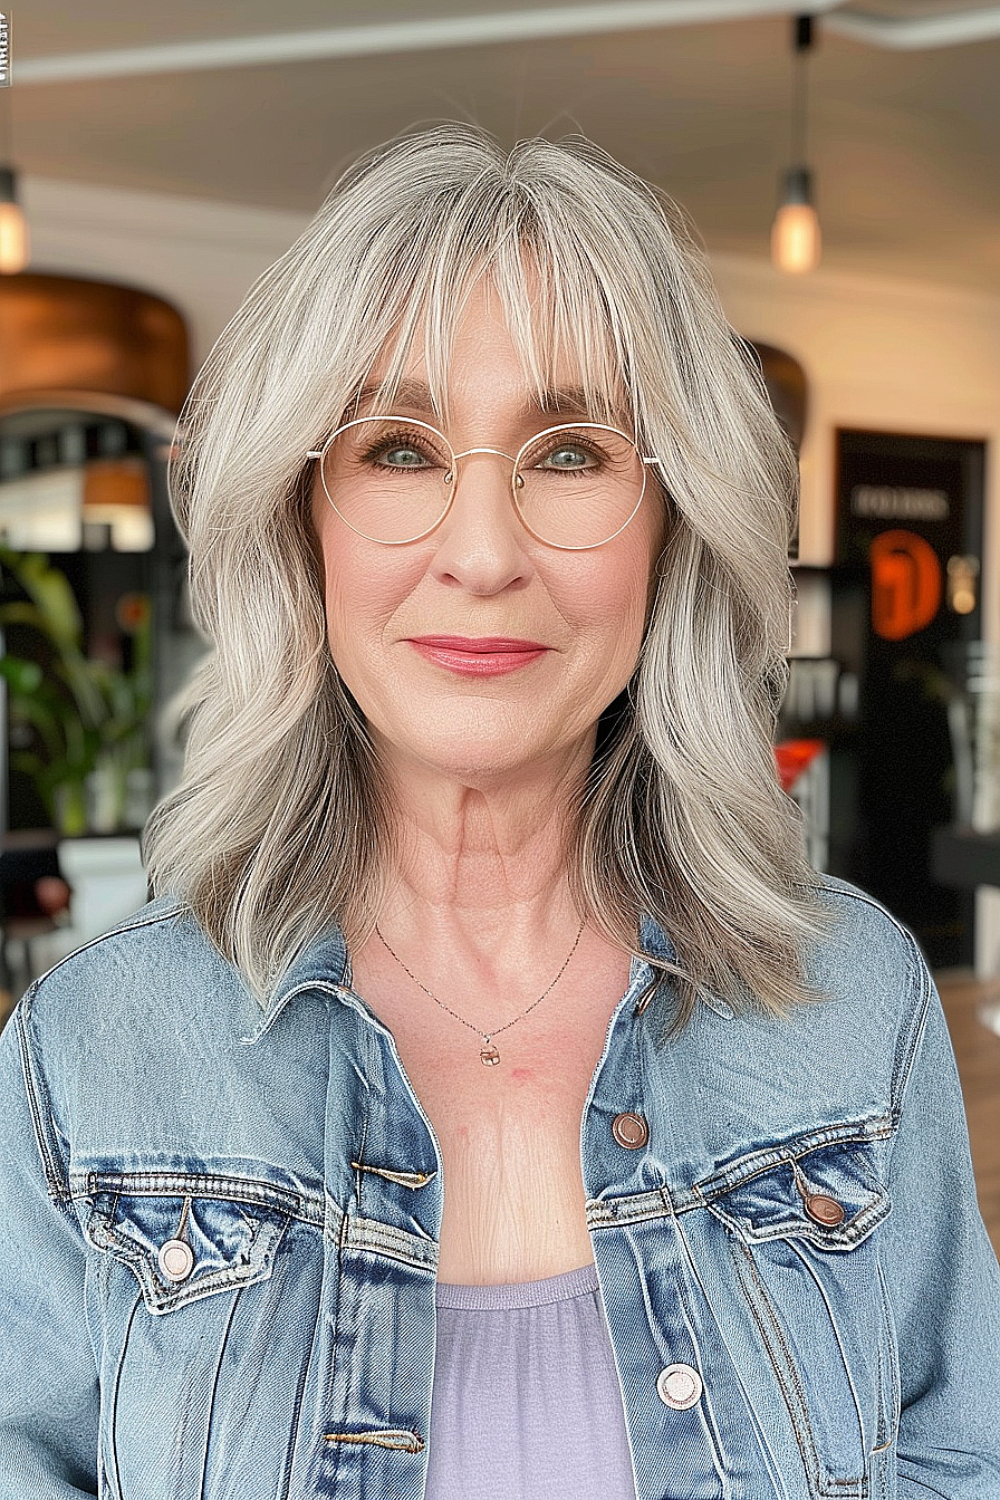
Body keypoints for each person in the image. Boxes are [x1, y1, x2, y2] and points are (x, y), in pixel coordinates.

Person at [1, 125, 998, 1500]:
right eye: (399, 450)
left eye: (572, 452)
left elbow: (964, 1458)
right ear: (305, 520)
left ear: (674, 523)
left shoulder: (852, 1007)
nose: (481, 552)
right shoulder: (93, 1059)